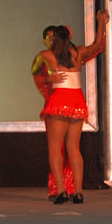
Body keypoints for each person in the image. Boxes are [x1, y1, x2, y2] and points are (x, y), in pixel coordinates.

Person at [31, 10, 109, 204]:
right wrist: (101, 23)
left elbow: (35, 71)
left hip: (59, 101)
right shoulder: (79, 52)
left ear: (54, 39)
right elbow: (98, 45)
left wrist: (49, 78)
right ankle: (79, 192)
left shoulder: (46, 55)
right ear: (69, 37)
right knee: (74, 148)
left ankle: (61, 191)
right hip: (76, 101)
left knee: (55, 149)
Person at [32, 25, 74, 200]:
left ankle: (71, 187)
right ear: (44, 40)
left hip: (71, 105)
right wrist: (49, 78)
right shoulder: (43, 57)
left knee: (72, 148)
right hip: (53, 106)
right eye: (48, 38)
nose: (51, 40)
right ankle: (56, 188)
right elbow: (35, 74)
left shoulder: (67, 54)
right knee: (56, 149)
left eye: (54, 37)